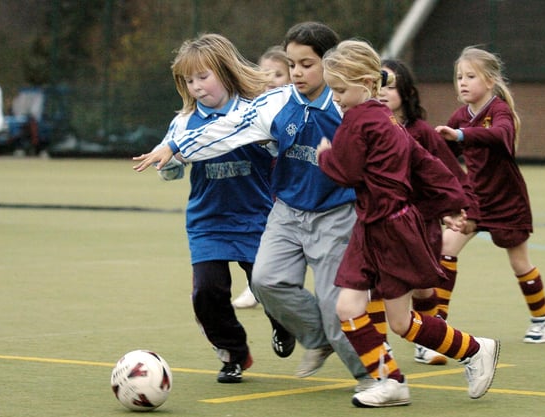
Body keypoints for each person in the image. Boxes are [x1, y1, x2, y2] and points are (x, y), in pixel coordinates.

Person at [133, 22, 374, 391]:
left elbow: (390, 152)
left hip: (330, 213)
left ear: (330, 64)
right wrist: (175, 150)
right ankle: (292, 340)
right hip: (269, 214)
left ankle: (376, 377)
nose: (296, 73)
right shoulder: (275, 103)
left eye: (306, 64)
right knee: (260, 282)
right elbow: (225, 129)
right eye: (292, 64)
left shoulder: (349, 109)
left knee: (335, 306)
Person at [316, 39, 500, 408]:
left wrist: (325, 157)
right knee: (349, 308)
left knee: (400, 322)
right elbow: (425, 162)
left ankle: (475, 349)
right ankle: (390, 381)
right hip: (371, 227)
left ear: (367, 82)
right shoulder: (386, 119)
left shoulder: (360, 119)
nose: (335, 98)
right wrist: (452, 201)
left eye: (339, 90)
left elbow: (347, 171)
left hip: (390, 230)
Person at [153, 33, 290, 384]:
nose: (197, 87)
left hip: (255, 217)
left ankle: (283, 321)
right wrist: (167, 164)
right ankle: (233, 353)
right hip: (208, 222)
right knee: (207, 292)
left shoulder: (253, 112)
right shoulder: (183, 122)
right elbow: (171, 166)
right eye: (189, 80)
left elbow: (280, 154)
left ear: (225, 73)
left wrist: (272, 145)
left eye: (204, 77)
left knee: (266, 284)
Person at [434, 46, 545, 343]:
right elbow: (441, 151)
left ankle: (544, 320)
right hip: (475, 200)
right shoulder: (460, 115)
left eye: (470, 76)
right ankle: (437, 322)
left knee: (519, 263)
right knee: (446, 248)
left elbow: (501, 136)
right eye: (459, 77)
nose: (462, 82)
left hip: (507, 200)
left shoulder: (499, 110)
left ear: (489, 81)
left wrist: (462, 135)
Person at [378, 59, 480, 365]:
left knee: (423, 288)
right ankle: (379, 347)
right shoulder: (367, 127)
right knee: (377, 286)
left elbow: (451, 174)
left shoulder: (421, 131)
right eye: (378, 85)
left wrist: (462, 209)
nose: (383, 92)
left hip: (421, 225)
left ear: (407, 92)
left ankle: (428, 341)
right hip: (382, 224)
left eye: (391, 86)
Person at [232, 44, 291, 310]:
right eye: (264, 73)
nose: (270, 79)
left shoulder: (295, 107)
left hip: (291, 182)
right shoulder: (252, 108)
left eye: (277, 74)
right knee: (265, 232)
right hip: (263, 184)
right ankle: (257, 286)